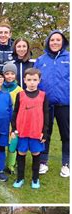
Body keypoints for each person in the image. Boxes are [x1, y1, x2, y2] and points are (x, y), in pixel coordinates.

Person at [34, 30, 69, 177]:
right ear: (48, 42)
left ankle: (66, 163)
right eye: (52, 40)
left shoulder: (69, 58)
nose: (55, 42)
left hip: (65, 103)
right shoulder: (41, 60)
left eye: (58, 40)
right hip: (45, 104)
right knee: (45, 133)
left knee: (66, 134)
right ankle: (43, 161)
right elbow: (34, 80)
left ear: (63, 42)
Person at [11, 68, 48, 189]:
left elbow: (46, 114)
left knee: (36, 154)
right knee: (21, 154)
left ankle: (35, 179)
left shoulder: (43, 96)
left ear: (39, 80)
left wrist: (44, 132)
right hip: (22, 132)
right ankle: (20, 178)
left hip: (36, 132)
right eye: (29, 80)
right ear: (24, 80)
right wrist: (14, 129)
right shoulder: (20, 95)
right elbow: (15, 112)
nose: (32, 82)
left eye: (35, 80)